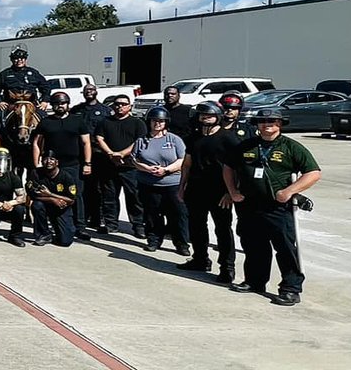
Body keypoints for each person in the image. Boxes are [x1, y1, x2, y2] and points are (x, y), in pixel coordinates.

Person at [224, 107, 321, 307]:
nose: (267, 125)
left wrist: (289, 191)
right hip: (249, 205)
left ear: (280, 124)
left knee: (285, 248)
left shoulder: (291, 147)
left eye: (272, 121)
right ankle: (254, 281)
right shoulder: (247, 146)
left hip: (277, 207)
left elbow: (313, 173)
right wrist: (233, 191)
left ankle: (290, 289)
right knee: (253, 246)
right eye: (262, 122)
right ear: (257, 125)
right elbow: (228, 167)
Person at [177, 101, 240, 283]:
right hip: (196, 190)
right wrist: (181, 187)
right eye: (202, 116)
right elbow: (186, 164)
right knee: (196, 227)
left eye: (209, 116)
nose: (205, 119)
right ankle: (200, 259)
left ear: (218, 116)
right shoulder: (194, 138)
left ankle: (227, 267)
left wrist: (231, 192)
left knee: (222, 229)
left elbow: (238, 167)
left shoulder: (228, 138)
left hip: (220, 192)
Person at [31, 91, 92, 241]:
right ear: (52, 105)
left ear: (68, 104)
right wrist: (36, 164)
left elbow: (86, 143)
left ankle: (80, 227)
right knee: (45, 196)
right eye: (57, 103)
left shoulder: (78, 121)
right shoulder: (46, 122)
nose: (60, 106)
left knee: (76, 196)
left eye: (63, 103)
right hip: (50, 167)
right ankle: (47, 228)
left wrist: (87, 163)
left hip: (73, 165)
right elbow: (36, 143)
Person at [133, 107, 189, 254]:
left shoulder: (174, 139)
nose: (157, 123)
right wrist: (146, 168)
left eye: (161, 121)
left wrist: (167, 170)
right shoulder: (141, 140)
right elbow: (134, 160)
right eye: (154, 121)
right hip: (149, 183)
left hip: (172, 183)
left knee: (177, 214)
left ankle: (182, 243)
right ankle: (154, 240)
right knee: (152, 214)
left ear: (166, 122)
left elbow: (182, 160)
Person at [93, 95, 147, 238]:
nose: (120, 106)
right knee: (109, 196)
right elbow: (99, 138)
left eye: (123, 104)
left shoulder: (138, 122)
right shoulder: (105, 122)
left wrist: (122, 154)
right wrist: (111, 154)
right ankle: (111, 224)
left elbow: (139, 141)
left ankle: (138, 225)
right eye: (117, 104)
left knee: (134, 197)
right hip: (109, 165)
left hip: (130, 166)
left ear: (130, 106)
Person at [71, 84, 111, 232]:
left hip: (98, 154)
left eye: (91, 90)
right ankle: (83, 216)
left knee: (99, 188)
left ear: (96, 92)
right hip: (80, 154)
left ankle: (98, 218)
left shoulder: (105, 111)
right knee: (83, 187)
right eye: (87, 91)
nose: (89, 93)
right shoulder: (76, 110)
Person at [29, 152, 78, 247]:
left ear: (57, 162)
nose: (48, 162)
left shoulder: (66, 177)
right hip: (45, 205)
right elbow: (33, 195)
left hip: (61, 208)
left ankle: (57, 229)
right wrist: (52, 199)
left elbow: (71, 200)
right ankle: (44, 234)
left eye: (52, 159)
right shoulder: (36, 173)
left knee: (65, 242)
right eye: (45, 159)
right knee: (36, 205)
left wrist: (50, 194)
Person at [0, 47, 50, 116]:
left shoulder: (34, 73)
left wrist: (44, 101)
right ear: (12, 60)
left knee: (45, 119)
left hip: (31, 104)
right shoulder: (5, 74)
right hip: (11, 105)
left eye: (22, 58)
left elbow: (45, 87)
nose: (19, 60)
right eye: (16, 58)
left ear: (25, 59)